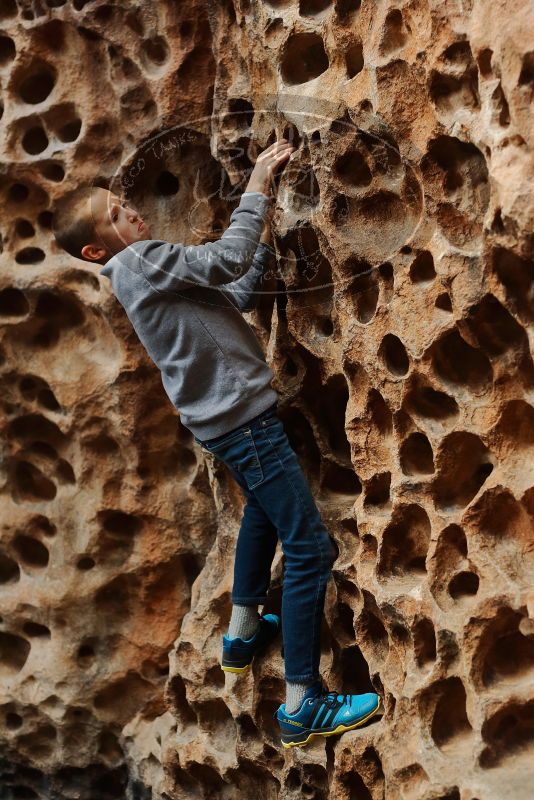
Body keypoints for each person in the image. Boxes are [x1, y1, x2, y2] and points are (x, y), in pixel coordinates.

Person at [53, 138, 382, 748]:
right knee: (311, 549)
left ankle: (241, 630)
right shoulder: (141, 261)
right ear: (97, 247)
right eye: (118, 214)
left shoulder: (136, 271)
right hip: (244, 423)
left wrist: (265, 244)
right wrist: (258, 185)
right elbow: (227, 260)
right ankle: (303, 703)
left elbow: (226, 295)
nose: (132, 211)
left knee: (262, 505)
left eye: (125, 203)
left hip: (224, 423)